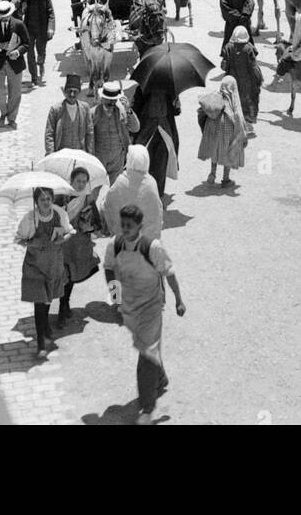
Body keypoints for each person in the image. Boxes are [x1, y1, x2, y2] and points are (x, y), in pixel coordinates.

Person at [104, 204, 186, 425]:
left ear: (140, 226)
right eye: (123, 225)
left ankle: (147, 409)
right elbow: (109, 269)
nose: (125, 229)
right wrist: (115, 299)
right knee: (148, 349)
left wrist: (179, 299)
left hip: (151, 307)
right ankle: (160, 378)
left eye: (130, 226)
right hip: (130, 308)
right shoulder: (115, 245)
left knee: (146, 353)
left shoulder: (153, 248)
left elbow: (169, 273)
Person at [15, 186, 74, 357]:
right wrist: (30, 243)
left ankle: (45, 326)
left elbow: (70, 232)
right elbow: (19, 239)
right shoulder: (29, 219)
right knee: (39, 303)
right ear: (36, 202)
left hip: (53, 264)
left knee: (47, 300)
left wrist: (63, 238)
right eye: (42, 200)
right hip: (35, 266)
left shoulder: (59, 214)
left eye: (49, 199)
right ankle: (40, 342)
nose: (46, 203)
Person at [57, 166, 103, 326]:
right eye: (78, 181)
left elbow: (95, 221)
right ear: (72, 181)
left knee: (72, 276)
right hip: (64, 242)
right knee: (65, 276)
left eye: (84, 181)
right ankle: (62, 309)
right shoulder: (61, 196)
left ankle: (66, 303)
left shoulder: (87, 198)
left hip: (79, 244)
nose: (81, 184)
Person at [103, 143, 164, 239]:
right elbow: (157, 211)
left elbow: (108, 205)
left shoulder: (121, 181)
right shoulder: (151, 182)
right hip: (147, 239)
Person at [0, 0, 30, 129]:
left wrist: (17, 52)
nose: (4, 18)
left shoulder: (19, 24)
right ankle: (4, 112)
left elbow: (26, 43)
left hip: (15, 64)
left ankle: (11, 118)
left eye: (6, 16)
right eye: (2, 16)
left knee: (15, 93)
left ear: (10, 14)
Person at [198, 74, 248, 187]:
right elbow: (238, 117)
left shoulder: (216, 99)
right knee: (228, 150)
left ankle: (212, 174)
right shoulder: (233, 102)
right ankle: (226, 179)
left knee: (215, 149)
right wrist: (243, 134)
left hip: (213, 124)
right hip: (228, 126)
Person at [134, 87, 180, 198]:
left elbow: (176, 111)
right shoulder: (142, 89)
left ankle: (158, 197)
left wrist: (176, 104)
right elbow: (136, 108)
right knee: (144, 165)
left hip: (164, 132)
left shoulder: (171, 90)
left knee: (161, 167)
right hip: (146, 133)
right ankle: (144, 196)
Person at [91, 81, 140, 184]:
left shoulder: (122, 111)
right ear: (102, 98)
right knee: (95, 189)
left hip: (117, 158)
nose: (112, 104)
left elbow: (135, 128)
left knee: (116, 189)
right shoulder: (93, 113)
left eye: (114, 101)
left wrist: (129, 110)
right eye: (109, 101)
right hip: (99, 158)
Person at [220, 25, 264, 130]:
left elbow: (223, 66)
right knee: (248, 100)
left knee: (232, 101)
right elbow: (254, 66)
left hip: (232, 80)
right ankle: (247, 122)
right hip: (247, 82)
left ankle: (233, 122)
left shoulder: (228, 47)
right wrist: (258, 79)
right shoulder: (249, 48)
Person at [45, 74, 95, 152]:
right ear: (65, 92)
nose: (72, 94)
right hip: (61, 153)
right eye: (69, 91)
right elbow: (49, 134)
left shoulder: (85, 108)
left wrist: (90, 153)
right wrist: (51, 154)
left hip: (80, 153)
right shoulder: (55, 110)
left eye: (75, 92)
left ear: (79, 92)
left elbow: (90, 132)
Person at [19, 0, 55, 87]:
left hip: (41, 30)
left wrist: (51, 28)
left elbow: (51, 13)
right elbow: (19, 13)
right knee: (30, 54)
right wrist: (22, 9)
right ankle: (34, 77)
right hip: (29, 30)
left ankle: (41, 64)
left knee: (41, 51)